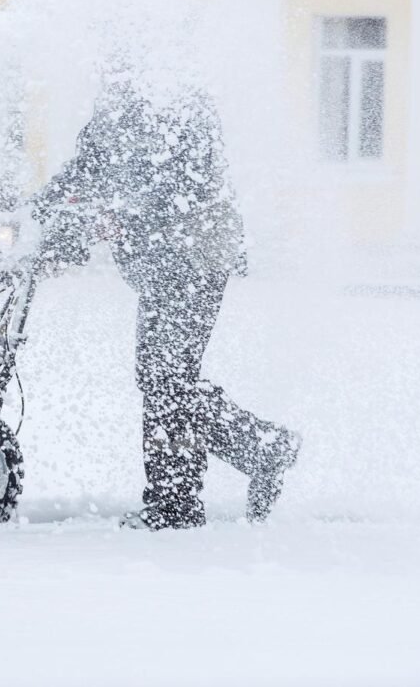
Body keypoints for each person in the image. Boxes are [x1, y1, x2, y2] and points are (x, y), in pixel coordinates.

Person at [30, 76, 301, 530]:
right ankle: (217, 476)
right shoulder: (115, 107)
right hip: (158, 267)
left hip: (196, 257)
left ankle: (198, 489)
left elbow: (180, 179)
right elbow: (83, 170)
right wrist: (30, 214)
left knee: (166, 379)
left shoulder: (181, 100)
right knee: (163, 379)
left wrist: (117, 209)